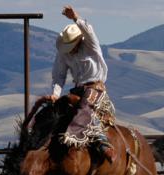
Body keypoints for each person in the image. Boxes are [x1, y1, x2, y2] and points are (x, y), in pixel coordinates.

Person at [49, 5, 117, 163]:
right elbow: (59, 76)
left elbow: (89, 30)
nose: (70, 50)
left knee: (85, 106)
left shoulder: (91, 45)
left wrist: (75, 17)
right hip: (77, 89)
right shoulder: (63, 54)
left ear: (79, 41)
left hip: (96, 88)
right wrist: (55, 94)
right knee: (57, 110)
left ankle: (102, 143)